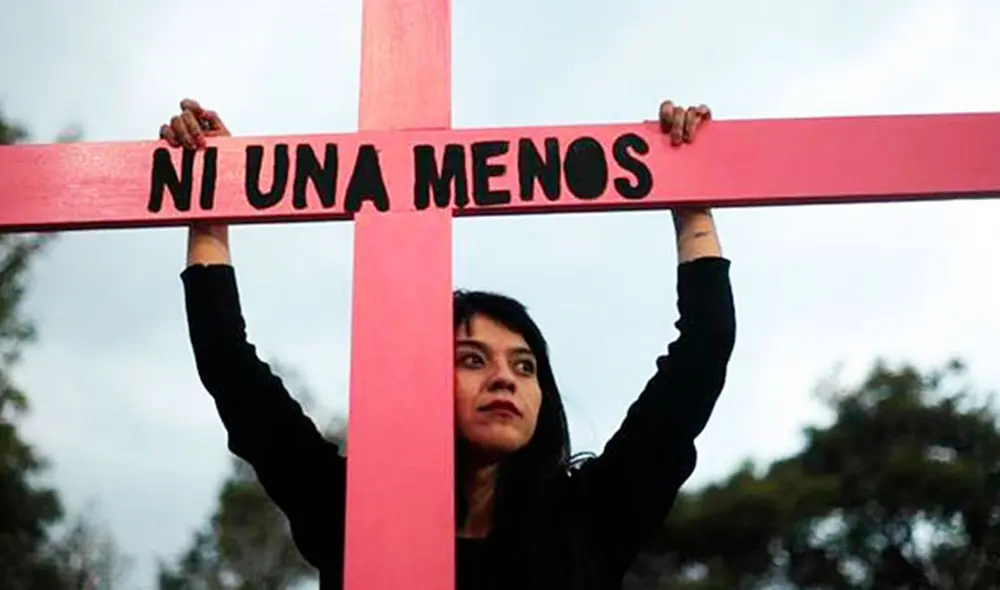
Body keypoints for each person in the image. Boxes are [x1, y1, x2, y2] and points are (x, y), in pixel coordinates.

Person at [163, 98, 736, 590]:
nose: (505, 378)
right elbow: (230, 366)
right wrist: (212, 201)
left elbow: (702, 352)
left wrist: (691, 205)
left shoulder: (590, 515)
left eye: (525, 365)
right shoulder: (351, 510)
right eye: (471, 359)